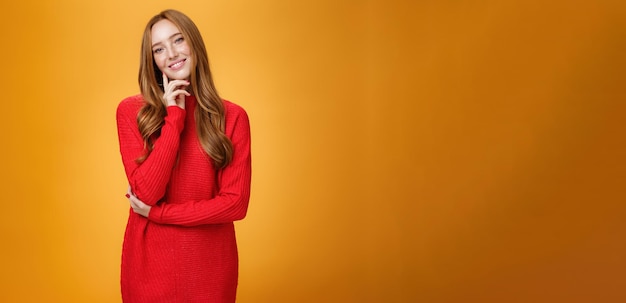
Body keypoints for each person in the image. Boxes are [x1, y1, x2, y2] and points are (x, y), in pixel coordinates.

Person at [115, 9, 251, 302]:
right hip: (150, 266)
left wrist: (159, 214)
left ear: (194, 44)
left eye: (178, 40)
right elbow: (148, 193)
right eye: (159, 49)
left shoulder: (233, 117)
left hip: (210, 267)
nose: (171, 53)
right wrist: (174, 116)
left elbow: (235, 205)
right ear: (152, 60)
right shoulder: (131, 112)